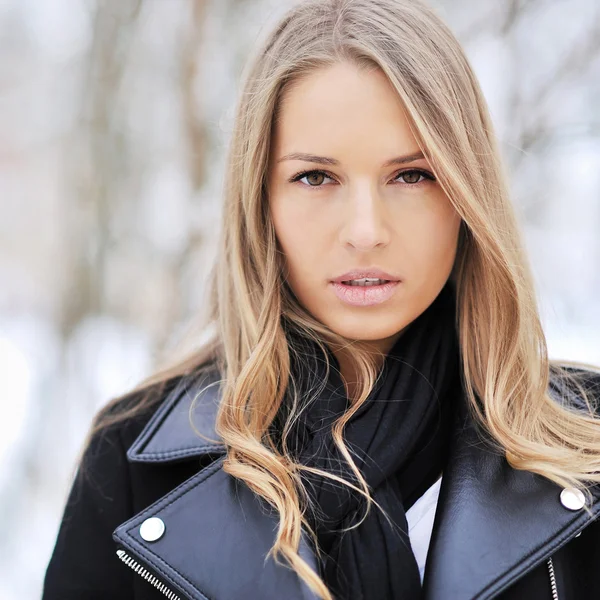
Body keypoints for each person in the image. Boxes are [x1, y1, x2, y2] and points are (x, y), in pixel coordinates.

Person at [42, 0, 600, 598]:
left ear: (468, 194)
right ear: (261, 203)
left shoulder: (584, 448)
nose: (365, 230)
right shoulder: (134, 463)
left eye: (412, 175)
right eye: (315, 178)